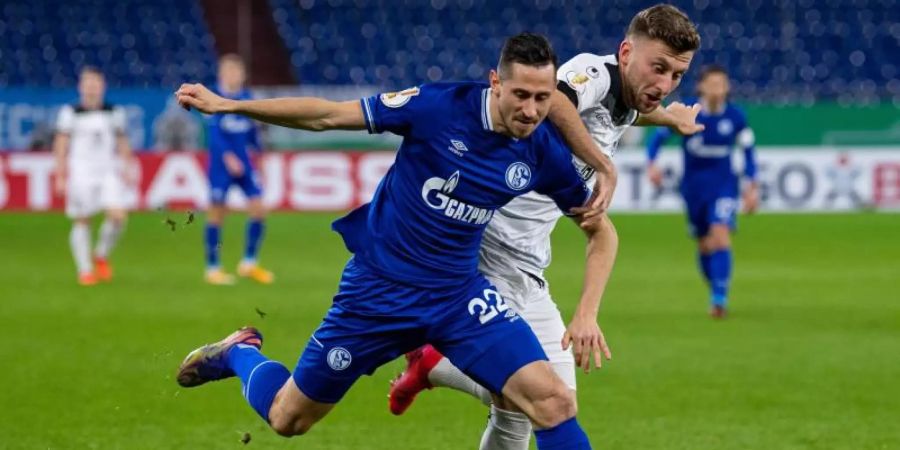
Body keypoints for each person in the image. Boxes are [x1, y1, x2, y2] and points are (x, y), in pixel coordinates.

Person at [174, 33, 610, 449]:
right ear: (496, 83)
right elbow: (327, 115)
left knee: (554, 402)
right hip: (377, 293)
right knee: (289, 418)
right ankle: (239, 353)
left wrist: (588, 306)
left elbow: (599, 229)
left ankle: (427, 363)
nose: (532, 111)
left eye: (542, 98)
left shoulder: (541, 149)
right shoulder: (439, 107)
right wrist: (231, 105)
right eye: (521, 95)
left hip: (459, 297)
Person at [387, 5, 704, 449]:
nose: (665, 84)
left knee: (549, 406)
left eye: (676, 75)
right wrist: (603, 165)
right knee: (538, 405)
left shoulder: (627, 99)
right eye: (659, 68)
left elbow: (634, 111)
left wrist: (671, 116)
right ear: (626, 52)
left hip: (528, 264)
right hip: (484, 246)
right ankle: (431, 363)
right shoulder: (590, 73)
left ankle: (431, 365)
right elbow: (554, 99)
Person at [647, 65, 759, 318]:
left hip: (724, 187)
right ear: (701, 87)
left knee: (720, 234)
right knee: (705, 244)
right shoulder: (688, 111)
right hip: (694, 189)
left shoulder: (736, 117)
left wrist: (752, 186)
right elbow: (658, 137)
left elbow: (749, 153)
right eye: (712, 84)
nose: (717, 90)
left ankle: (719, 299)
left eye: (722, 84)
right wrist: (651, 163)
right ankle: (716, 286)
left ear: (728, 88)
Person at [52, 66, 133, 286]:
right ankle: (85, 271)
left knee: (118, 217)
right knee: (82, 219)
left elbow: (122, 140)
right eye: (87, 83)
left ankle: (101, 254)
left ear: (102, 86)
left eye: (95, 83)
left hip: (107, 170)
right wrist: (60, 174)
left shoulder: (113, 111)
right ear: (81, 86)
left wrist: (128, 166)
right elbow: (61, 144)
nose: (91, 87)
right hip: (81, 171)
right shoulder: (70, 112)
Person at [202, 54, 273, 285]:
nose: (233, 76)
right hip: (221, 166)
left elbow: (253, 134)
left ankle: (249, 263)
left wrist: (259, 160)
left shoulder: (246, 99)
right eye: (228, 72)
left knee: (259, 208)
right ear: (221, 74)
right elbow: (214, 134)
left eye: (236, 72)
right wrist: (228, 157)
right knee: (217, 213)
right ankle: (213, 267)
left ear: (242, 75)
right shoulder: (214, 99)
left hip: (245, 162)